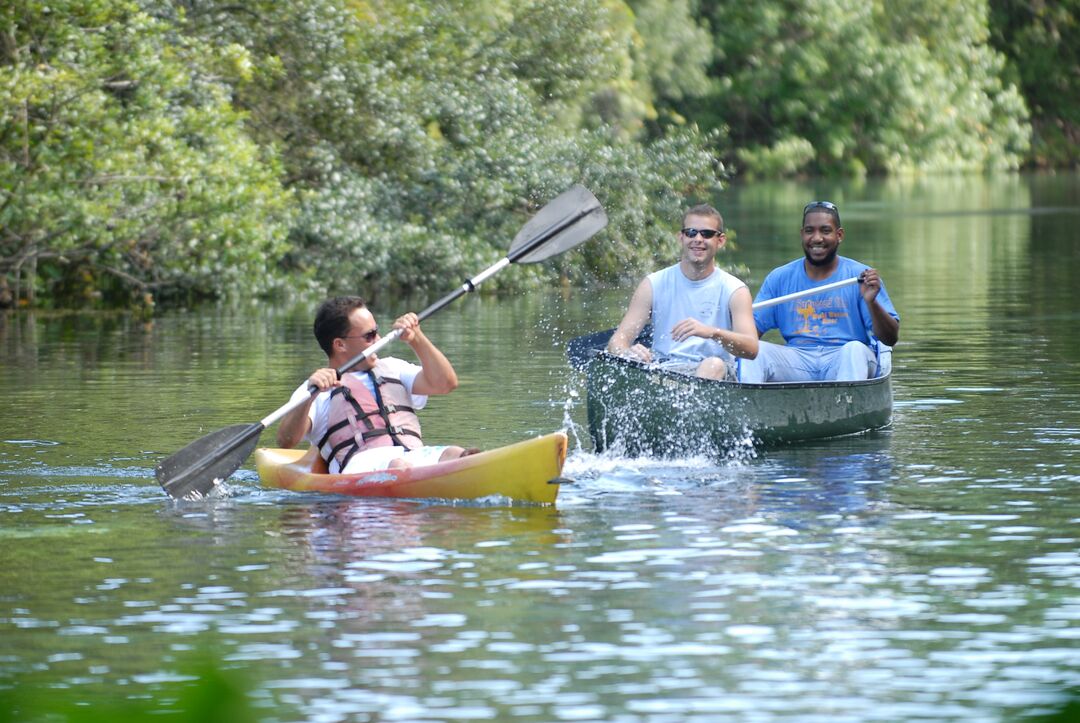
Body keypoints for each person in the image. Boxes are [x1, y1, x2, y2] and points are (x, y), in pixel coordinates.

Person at [277, 296, 476, 474]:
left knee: (458, 454)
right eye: (369, 335)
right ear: (340, 345)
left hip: (413, 455)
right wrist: (309, 397)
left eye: (377, 331)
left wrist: (416, 338)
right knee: (398, 466)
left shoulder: (393, 367)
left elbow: (446, 383)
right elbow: (286, 441)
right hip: (363, 467)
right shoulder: (315, 389)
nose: (379, 340)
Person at [739, 200, 900, 383]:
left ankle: (846, 409)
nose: (816, 238)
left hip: (845, 358)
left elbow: (890, 338)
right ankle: (748, 408)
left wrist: (872, 302)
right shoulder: (779, 278)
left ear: (839, 235)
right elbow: (749, 334)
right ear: (802, 234)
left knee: (854, 349)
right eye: (809, 231)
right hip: (797, 360)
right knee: (753, 351)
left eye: (825, 230)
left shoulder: (861, 277)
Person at [606, 203, 758, 380]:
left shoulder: (735, 290)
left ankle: (689, 404)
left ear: (721, 241)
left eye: (707, 234)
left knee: (713, 364)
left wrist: (712, 332)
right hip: (662, 369)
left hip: (716, 374)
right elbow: (616, 342)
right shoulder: (652, 284)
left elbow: (751, 348)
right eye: (691, 233)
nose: (698, 239)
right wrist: (627, 352)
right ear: (681, 237)